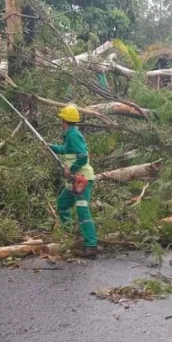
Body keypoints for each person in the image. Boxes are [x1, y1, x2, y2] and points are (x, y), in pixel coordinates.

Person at [50, 105, 99, 258]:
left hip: (81, 179)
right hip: (74, 180)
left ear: (64, 120)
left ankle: (91, 246)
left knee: (82, 209)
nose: (60, 122)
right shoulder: (70, 134)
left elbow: (82, 156)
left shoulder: (73, 135)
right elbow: (68, 150)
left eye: (61, 119)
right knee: (62, 203)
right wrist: (52, 148)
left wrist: (71, 170)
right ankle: (71, 235)